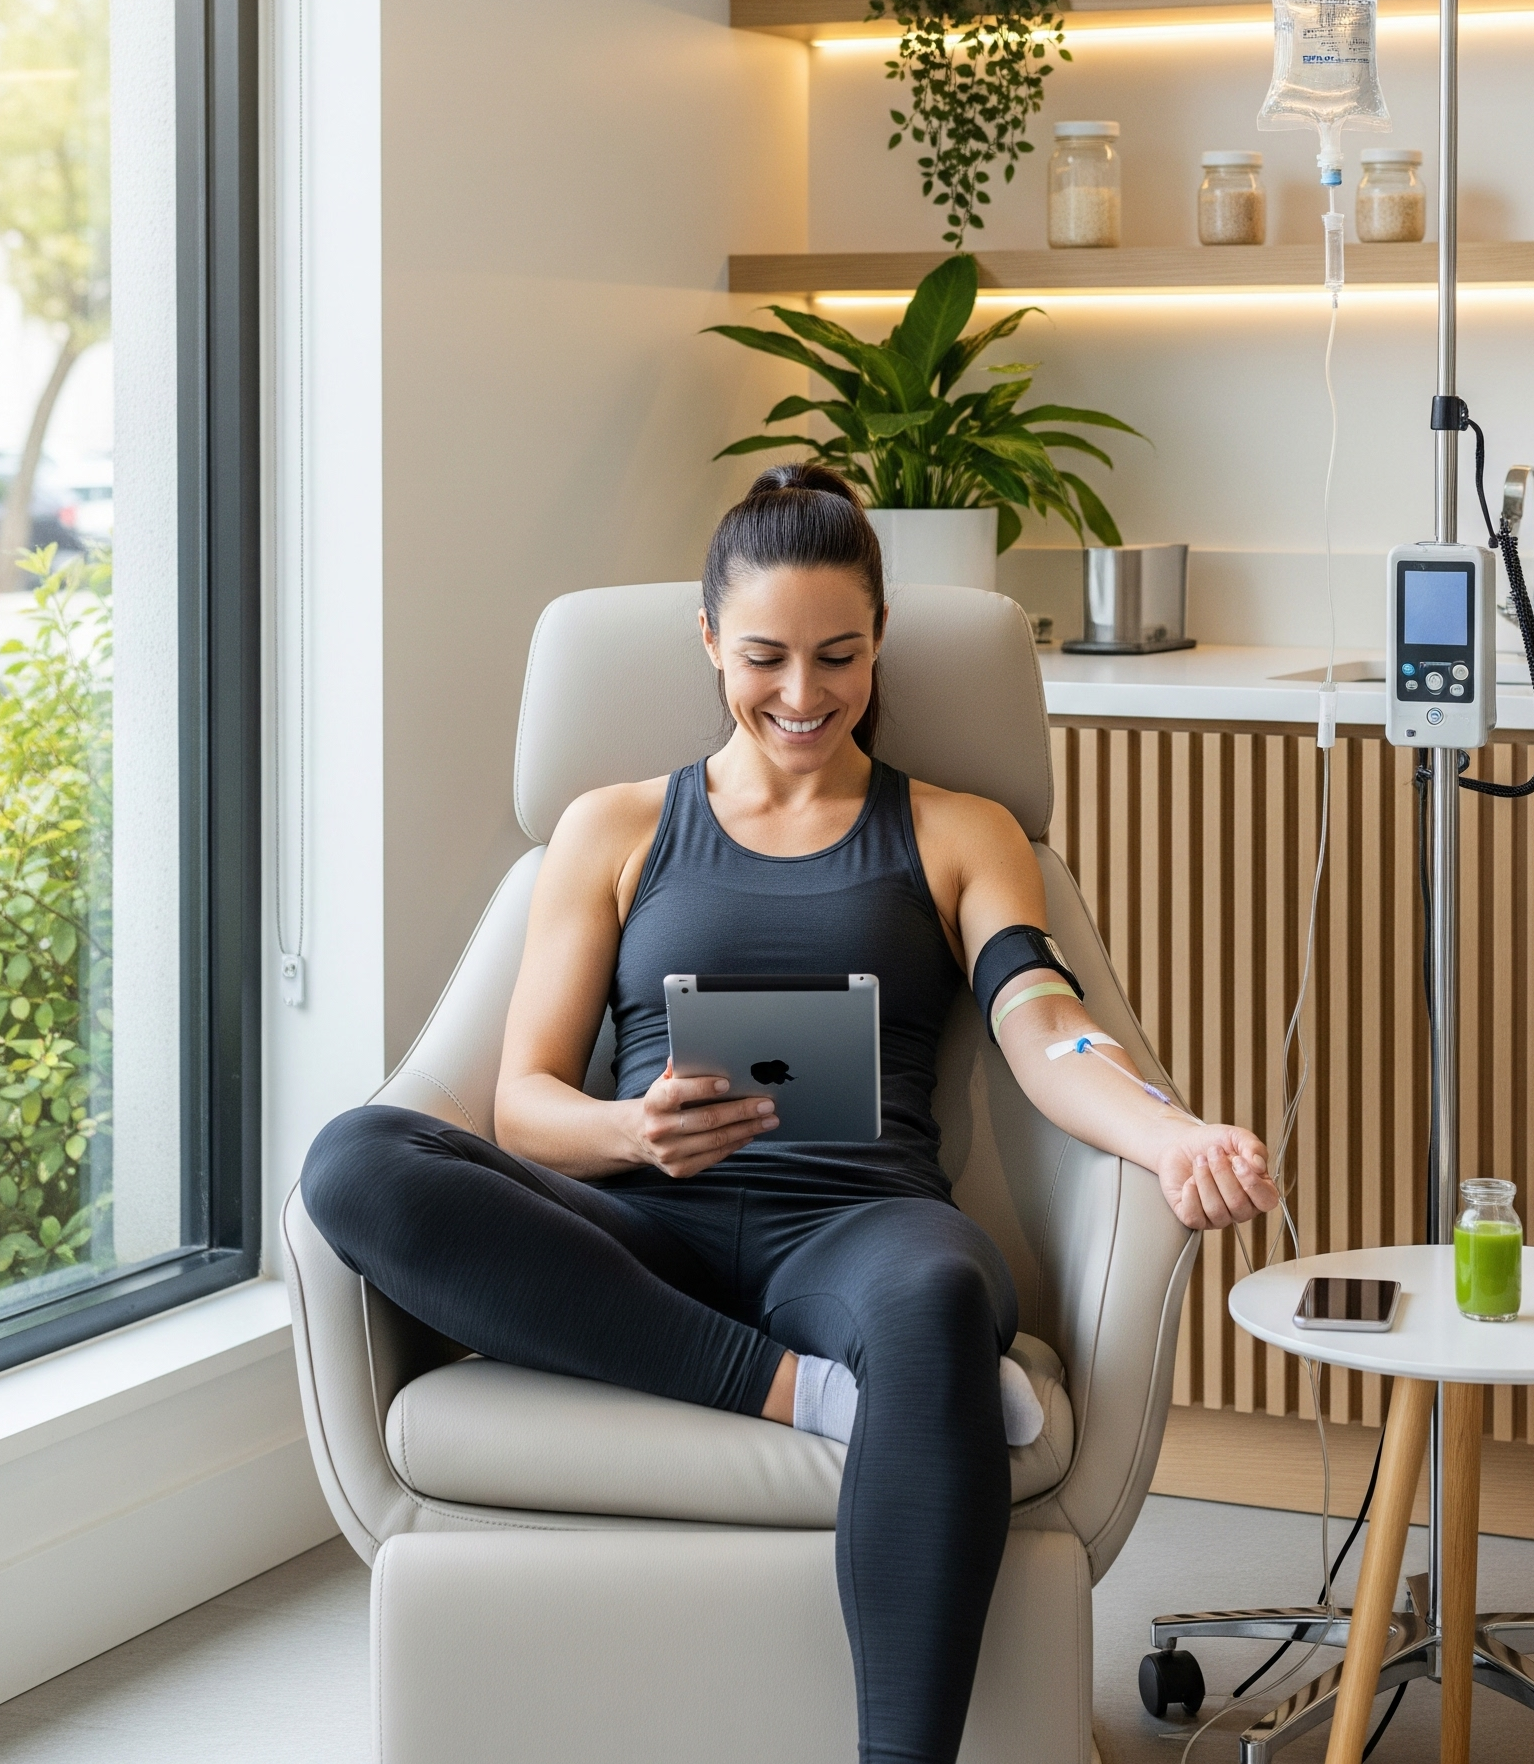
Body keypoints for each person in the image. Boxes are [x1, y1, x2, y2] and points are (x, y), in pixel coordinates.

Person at [303, 465, 1280, 1764]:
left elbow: (1047, 1029)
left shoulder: (959, 831)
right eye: (766, 657)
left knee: (936, 1309)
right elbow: (523, 1104)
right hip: (642, 1227)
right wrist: (633, 1132)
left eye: (841, 657)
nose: (804, 696)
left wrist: (1174, 1133)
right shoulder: (613, 830)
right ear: (710, 642)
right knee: (355, 1160)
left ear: (879, 647)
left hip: (863, 1229)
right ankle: (798, 1396)